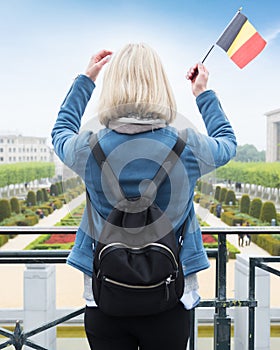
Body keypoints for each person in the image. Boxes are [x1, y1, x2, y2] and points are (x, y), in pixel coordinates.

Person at [52, 43, 236, 350]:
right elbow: (227, 142)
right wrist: (202, 93)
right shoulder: (188, 146)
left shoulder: (88, 148)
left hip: (104, 292)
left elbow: (61, 130)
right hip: (170, 293)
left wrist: (86, 79)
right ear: (160, 86)